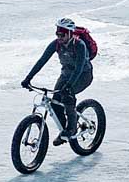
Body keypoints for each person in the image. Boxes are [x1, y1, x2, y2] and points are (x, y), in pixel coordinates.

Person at [21, 17, 93, 145]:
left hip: (83, 76)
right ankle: (65, 130)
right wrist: (28, 78)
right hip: (66, 74)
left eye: (62, 34)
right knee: (54, 103)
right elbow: (42, 61)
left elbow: (79, 68)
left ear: (70, 33)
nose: (59, 37)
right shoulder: (56, 44)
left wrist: (68, 86)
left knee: (67, 96)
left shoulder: (80, 45)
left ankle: (71, 129)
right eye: (57, 34)